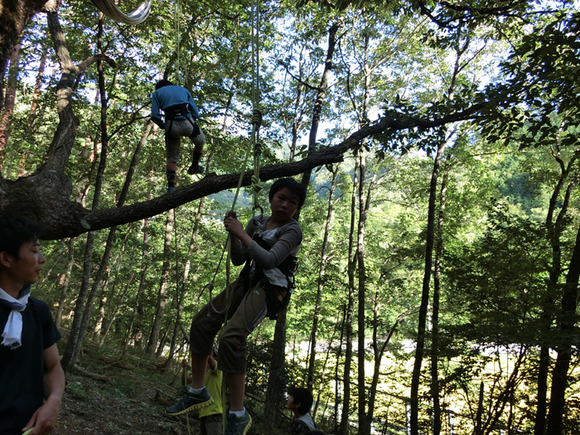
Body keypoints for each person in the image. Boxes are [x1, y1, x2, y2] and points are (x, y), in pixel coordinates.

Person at [165, 177, 307, 435]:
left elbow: (270, 260)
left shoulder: (292, 230)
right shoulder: (258, 222)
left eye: (292, 202)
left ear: (297, 208)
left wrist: (242, 232)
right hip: (247, 281)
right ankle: (197, 390)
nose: (285, 205)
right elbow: (238, 259)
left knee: (232, 336)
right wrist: (235, 235)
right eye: (281, 198)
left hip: (270, 288)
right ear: (271, 197)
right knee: (202, 323)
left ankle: (238, 413)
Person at [0, 216, 65, 435]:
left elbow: (53, 366)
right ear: (6, 258)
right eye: (35, 251)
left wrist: (54, 401)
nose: (43, 259)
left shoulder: (38, 310)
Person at [151, 79, 206, 191]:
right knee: (200, 142)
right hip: (188, 123)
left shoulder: (157, 93)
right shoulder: (183, 90)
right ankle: (194, 166)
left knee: (172, 157)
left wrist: (163, 125)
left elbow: (155, 116)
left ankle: (171, 186)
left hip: (171, 126)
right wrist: (192, 122)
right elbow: (195, 112)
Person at [180, 348, 223, 435]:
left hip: (214, 413)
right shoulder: (202, 374)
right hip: (203, 413)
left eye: (212, 355)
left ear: (215, 358)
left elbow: (206, 355)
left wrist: (200, 342)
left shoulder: (218, 369)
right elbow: (185, 381)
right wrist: (185, 368)